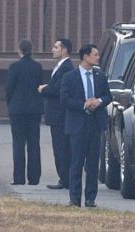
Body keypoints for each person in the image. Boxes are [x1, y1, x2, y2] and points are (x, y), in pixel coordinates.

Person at [60, 44, 111, 207]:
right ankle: (74, 198)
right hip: (77, 124)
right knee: (76, 162)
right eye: (95, 54)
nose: (98, 57)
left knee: (93, 163)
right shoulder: (70, 77)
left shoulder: (100, 75)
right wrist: (83, 104)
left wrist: (99, 101)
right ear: (85, 56)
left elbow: (108, 95)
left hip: (95, 124)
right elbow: (64, 100)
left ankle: (90, 198)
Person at [6, 39, 43, 185]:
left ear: (19, 50)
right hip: (34, 109)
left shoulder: (14, 66)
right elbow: (39, 86)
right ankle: (34, 178)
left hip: (17, 109)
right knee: (34, 143)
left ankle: (19, 178)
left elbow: (9, 87)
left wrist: (10, 103)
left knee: (18, 144)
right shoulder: (37, 66)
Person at [39, 38, 74, 189]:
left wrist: (44, 89)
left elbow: (59, 89)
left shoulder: (66, 67)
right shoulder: (60, 66)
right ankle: (64, 178)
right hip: (56, 116)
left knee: (61, 148)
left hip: (60, 116)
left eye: (56, 47)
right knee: (59, 147)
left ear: (64, 49)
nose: (53, 50)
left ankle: (65, 179)